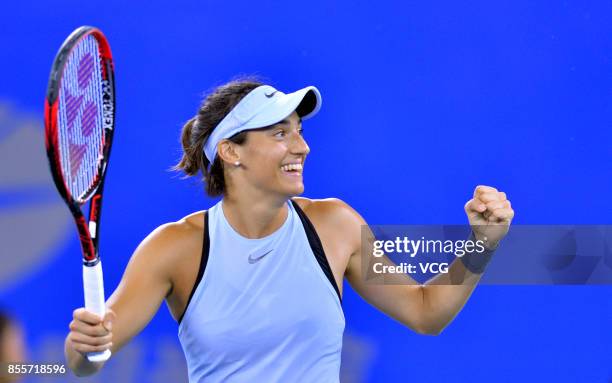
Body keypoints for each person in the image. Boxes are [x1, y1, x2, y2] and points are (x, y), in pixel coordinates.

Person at [64, 78, 514, 381]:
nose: (302, 145)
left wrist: (482, 245)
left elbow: (425, 312)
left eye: (298, 130)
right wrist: (85, 345)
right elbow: (85, 363)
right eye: (279, 133)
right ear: (230, 152)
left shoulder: (334, 224)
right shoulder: (175, 247)